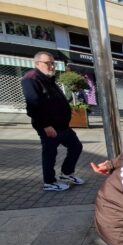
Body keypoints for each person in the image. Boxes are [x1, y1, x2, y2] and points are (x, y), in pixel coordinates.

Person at [22, 51, 84, 191]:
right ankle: (49, 182)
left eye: (53, 63)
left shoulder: (49, 79)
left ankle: (67, 173)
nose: (51, 66)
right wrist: (45, 125)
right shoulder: (31, 79)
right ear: (37, 64)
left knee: (76, 146)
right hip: (49, 126)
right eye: (48, 63)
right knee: (50, 154)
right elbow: (33, 104)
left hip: (62, 126)